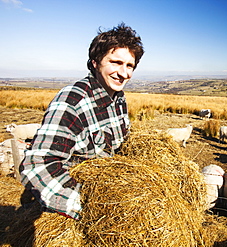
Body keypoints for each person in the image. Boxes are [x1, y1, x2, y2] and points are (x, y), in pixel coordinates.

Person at [19, 23, 144, 220]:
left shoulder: (119, 99)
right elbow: (37, 166)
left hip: (109, 193)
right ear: (95, 62)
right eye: (115, 62)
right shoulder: (72, 100)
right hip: (78, 209)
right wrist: (90, 208)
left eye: (129, 66)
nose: (123, 73)